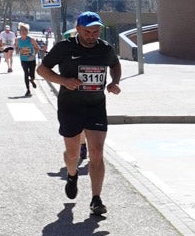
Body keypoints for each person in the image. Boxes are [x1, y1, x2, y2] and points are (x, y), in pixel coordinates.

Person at [37, 11, 121, 218]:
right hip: (70, 107)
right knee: (73, 154)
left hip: (95, 106)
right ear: (78, 29)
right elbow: (42, 69)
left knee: (97, 152)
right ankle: (72, 175)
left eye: (96, 31)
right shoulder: (65, 47)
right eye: (88, 32)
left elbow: (115, 64)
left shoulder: (105, 48)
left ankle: (96, 199)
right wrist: (63, 81)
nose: (92, 36)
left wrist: (114, 82)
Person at [16, 23, 39, 96]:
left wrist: (33, 54)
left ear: (27, 31)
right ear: (19, 32)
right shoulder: (17, 40)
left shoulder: (31, 39)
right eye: (22, 30)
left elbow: (37, 48)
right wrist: (17, 50)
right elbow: (16, 47)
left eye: (25, 30)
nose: (23, 32)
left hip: (31, 59)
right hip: (23, 59)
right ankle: (28, 89)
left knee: (32, 74)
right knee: (26, 73)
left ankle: (32, 80)